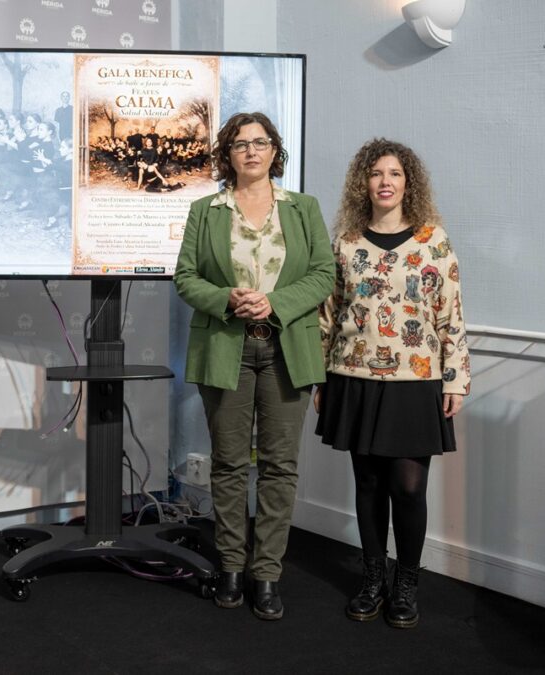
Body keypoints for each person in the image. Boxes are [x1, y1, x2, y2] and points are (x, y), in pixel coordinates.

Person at [173, 112, 334, 619]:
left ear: (274, 151)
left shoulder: (304, 208)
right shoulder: (205, 211)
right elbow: (185, 277)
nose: (251, 151)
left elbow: (324, 274)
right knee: (228, 463)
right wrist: (227, 298)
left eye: (260, 142)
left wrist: (274, 303)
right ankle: (230, 567)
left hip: (288, 348)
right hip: (226, 347)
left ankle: (266, 573)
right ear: (228, 154)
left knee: (280, 467)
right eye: (240, 144)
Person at [316, 138, 470, 629]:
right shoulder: (346, 243)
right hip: (353, 375)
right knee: (368, 483)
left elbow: (451, 314)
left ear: (409, 183)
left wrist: (455, 379)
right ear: (363, 183)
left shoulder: (432, 241)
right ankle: (372, 580)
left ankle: (406, 584)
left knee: (407, 487)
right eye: (376, 173)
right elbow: (328, 315)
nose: (385, 182)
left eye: (395, 174)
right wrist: (319, 378)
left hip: (415, 378)